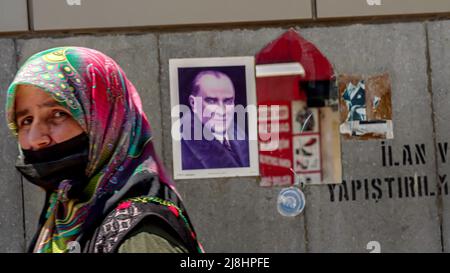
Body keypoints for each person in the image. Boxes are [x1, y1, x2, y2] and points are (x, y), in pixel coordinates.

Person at [5, 46, 203, 253]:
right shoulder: (62, 215)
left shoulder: (140, 238)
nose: (37, 138)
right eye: (26, 120)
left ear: (108, 120)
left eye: (58, 114)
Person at [180, 70, 249, 170]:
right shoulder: (179, 145)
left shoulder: (239, 134)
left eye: (228, 101)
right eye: (211, 101)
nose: (222, 111)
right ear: (193, 103)